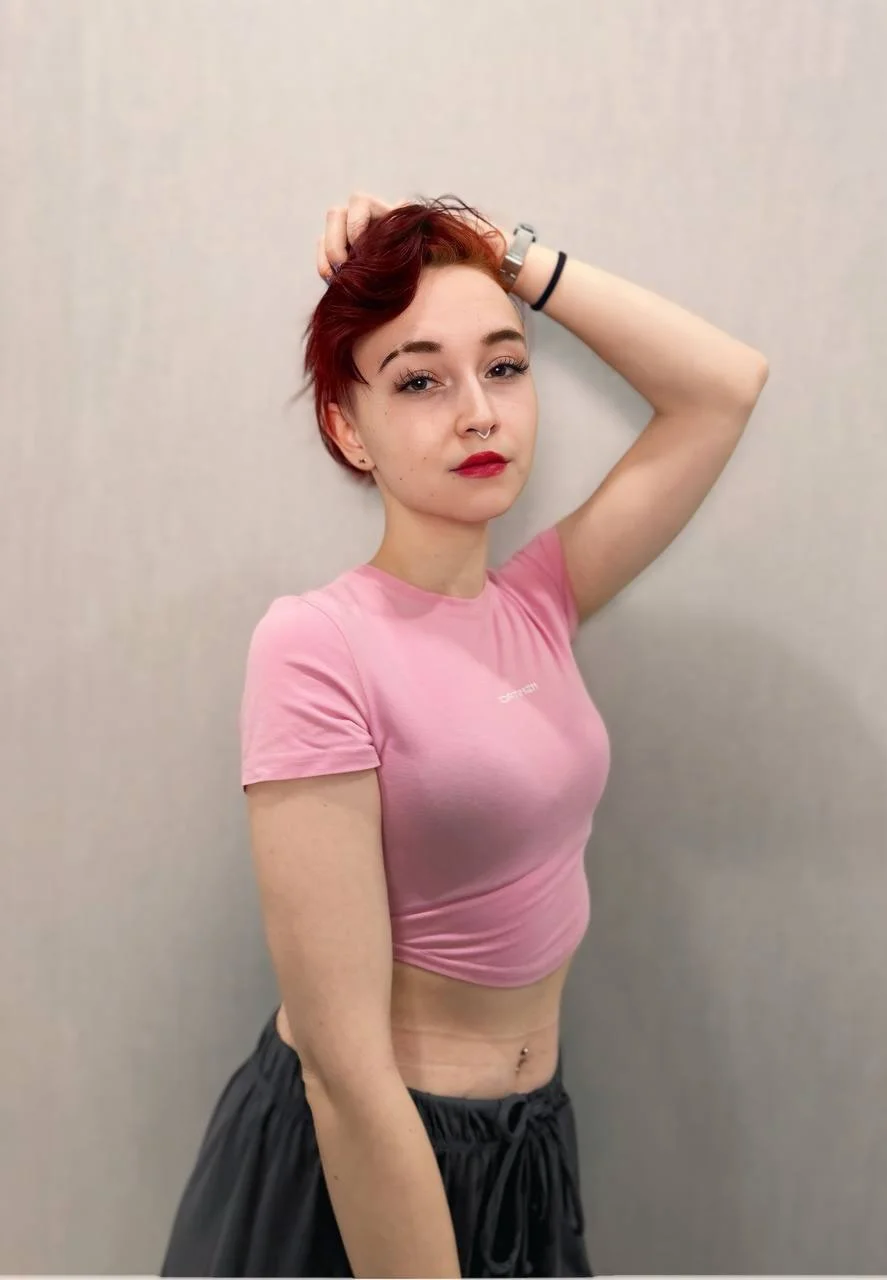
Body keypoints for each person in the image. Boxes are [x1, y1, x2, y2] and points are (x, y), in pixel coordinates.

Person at [161, 192, 769, 1278]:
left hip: (528, 1148)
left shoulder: (539, 599)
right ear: (347, 427)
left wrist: (505, 251)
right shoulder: (316, 644)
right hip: (369, 1160)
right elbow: (344, 1071)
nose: (479, 413)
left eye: (503, 366)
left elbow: (722, 387)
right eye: (418, 380)